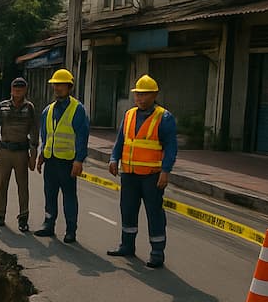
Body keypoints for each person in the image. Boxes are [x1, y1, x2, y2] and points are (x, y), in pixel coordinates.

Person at [107, 75, 179, 268]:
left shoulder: (164, 118)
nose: (140, 98)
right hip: (129, 174)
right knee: (128, 210)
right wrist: (114, 158)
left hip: (151, 175)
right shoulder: (129, 114)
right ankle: (127, 245)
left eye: (144, 94)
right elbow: (120, 141)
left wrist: (166, 171)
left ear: (154, 94)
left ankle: (157, 253)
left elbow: (171, 148)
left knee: (154, 213)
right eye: (138, 94)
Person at [34, 68, 90, 243]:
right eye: (55, 85)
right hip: (51, 160)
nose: (57, 88)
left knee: (69, 196)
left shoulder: (77, 109)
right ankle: (48, 224)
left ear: (69, 87)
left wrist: (79, 160)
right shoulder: (48, 110)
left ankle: (71, 230)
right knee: (49, 194)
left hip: (67, 162)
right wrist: (41, 155)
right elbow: (46, 135)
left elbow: (82, 137)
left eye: (60, 85)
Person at [0, 77, 40, 232]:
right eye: (15, 89)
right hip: (4, 150)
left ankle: (23, 218)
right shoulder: (2, 107)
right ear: (11, 90)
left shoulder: (29, 108)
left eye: (21, 89)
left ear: (25, 90)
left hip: (21, 152)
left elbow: (34, 132)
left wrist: (33, 155)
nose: (17, 92)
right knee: (2, 184)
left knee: (23, 186)